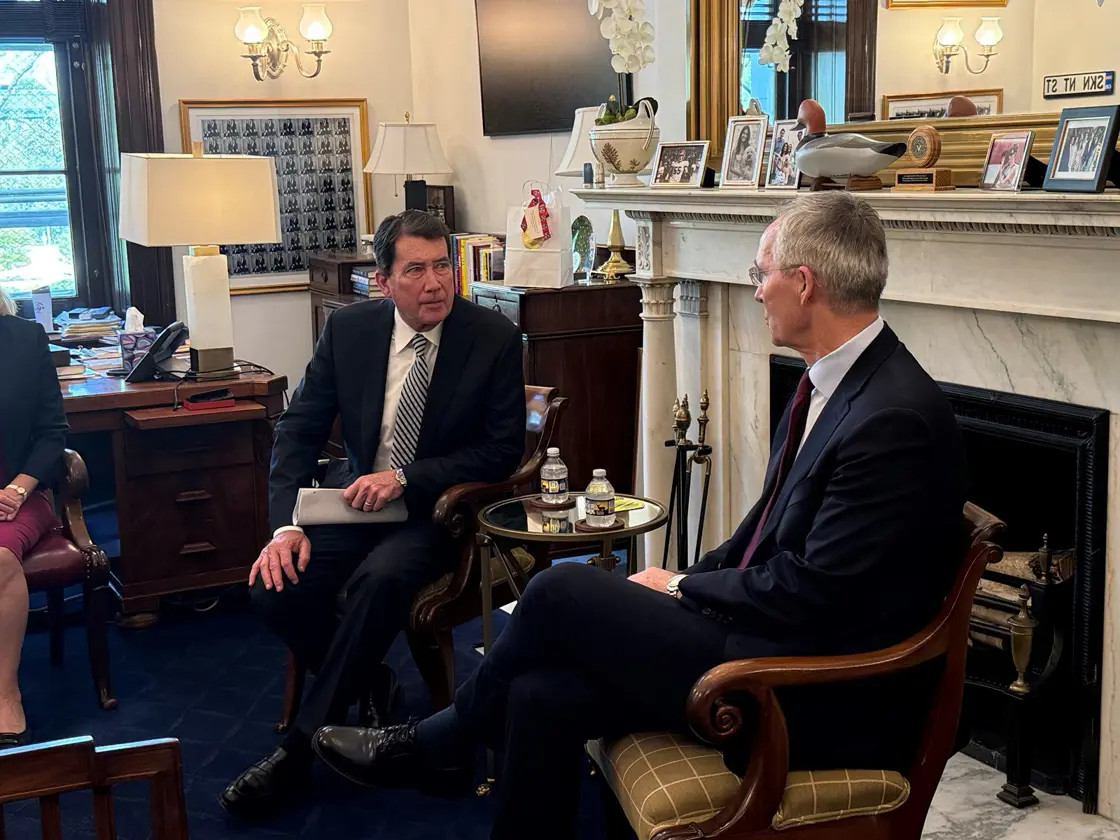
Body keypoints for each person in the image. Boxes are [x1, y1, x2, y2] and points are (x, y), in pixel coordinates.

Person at [311, 192, 968, 840]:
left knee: (561, 587)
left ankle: (440, 740)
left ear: (804, 284)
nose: (757, 291)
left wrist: (682, 588)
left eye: (760, 275)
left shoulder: (892, 419)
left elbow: (812, 592)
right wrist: (690, 585)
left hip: (817, 690)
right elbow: (762, 535)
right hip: (774, 639)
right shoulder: (837, 383)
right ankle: (447, 742)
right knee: (539, 695)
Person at [220, 210, 526, 816]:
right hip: (351, 501)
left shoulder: (490, 336)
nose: (436, 283)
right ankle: (371, 682)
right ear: (382, 281)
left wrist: (407, 477)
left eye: (443, 266)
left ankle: (302, 749)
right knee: (273, 585)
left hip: (434, 513)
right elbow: (297, 429)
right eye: (416, 270)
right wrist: (285, 526)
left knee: (379, 581)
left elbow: (501, 449)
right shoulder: (350, 330)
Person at [0, 285, 68, 748]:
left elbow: (52, 433)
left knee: (0, 559)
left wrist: (18, 487)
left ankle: (5, 694)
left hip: (18, 495)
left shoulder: (26, 339)